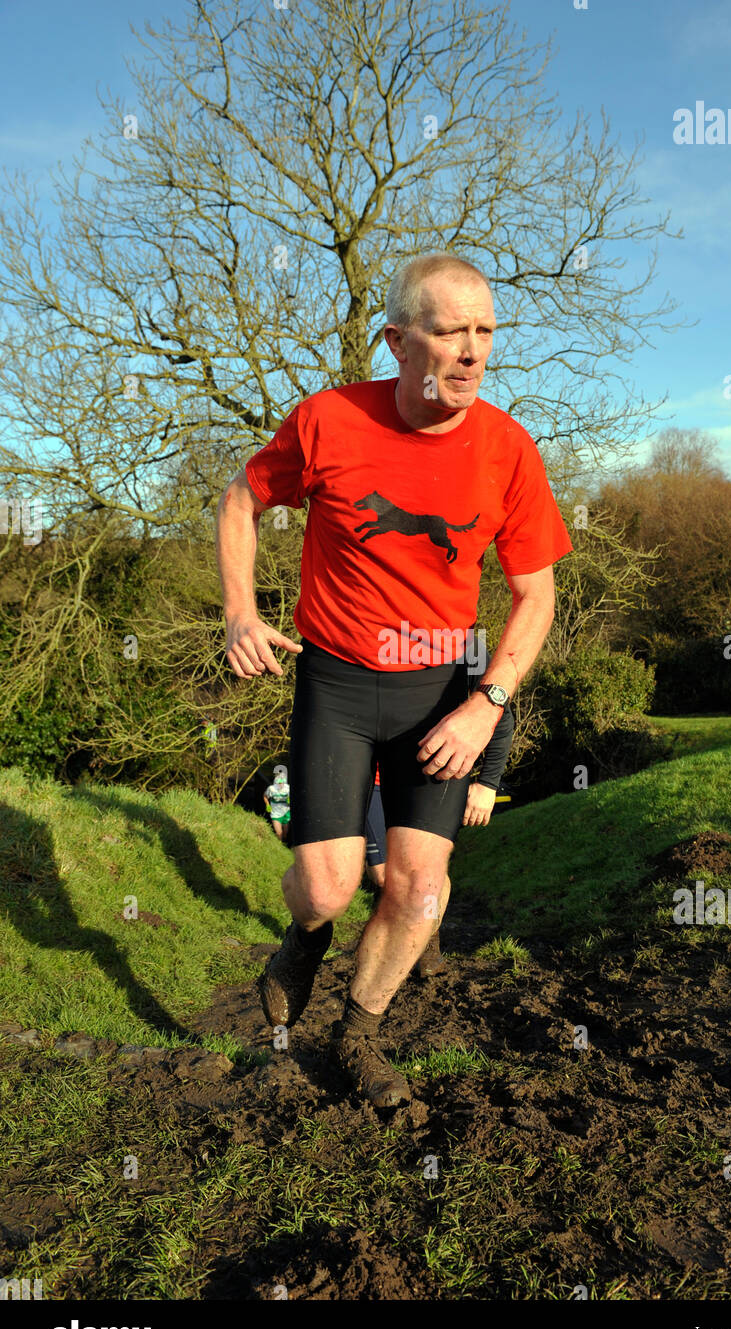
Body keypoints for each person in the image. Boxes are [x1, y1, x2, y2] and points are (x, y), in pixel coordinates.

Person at [216, 250, 572, 1108]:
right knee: (329, 885)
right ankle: (304, 941)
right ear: (399, 341)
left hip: (443, 692)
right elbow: (241, 498)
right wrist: (238, 611)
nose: (473, 351)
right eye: (451, 332)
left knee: (419, 891)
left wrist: (487, 706)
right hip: (337, 684)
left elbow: (536, 596)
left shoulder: (509, 449)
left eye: (486, 331)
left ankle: (359, 1035)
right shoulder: (328, 422)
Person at [366, 627, 515, 980]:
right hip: (369, 778)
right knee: (385, 875)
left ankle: (426, 945)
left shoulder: (464, 644)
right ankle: (401, 927)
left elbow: (500, 718)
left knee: (427, 871)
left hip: (431, 772)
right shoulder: (364, 627)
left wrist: (488, 785)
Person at [263, 772, 291, 842]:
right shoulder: (271, 789)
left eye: (283, 781)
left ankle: (285, 844)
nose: (281, 784)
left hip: (286, 812)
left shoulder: (288, 788)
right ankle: (280, 848)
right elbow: (265, 796)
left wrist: (290, 800)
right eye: (279, 782)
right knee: (279, 833)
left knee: (285, 833)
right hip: (275, 813)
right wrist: (267, 805)